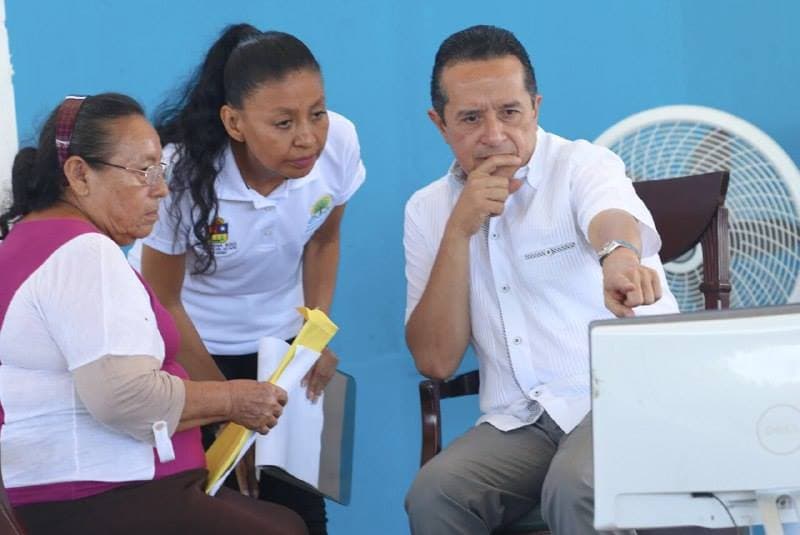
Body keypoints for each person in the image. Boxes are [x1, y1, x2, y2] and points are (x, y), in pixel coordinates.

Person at [403, 25, 680, 535]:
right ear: (439, 124)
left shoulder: (582, 163)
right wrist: (459, 230)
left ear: (535, 106)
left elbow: (611, 217)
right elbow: (436, 360)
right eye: (469, 117)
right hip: (521, 420)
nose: (493, 134)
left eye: (510, 112)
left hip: (626, 395)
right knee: (435, 493)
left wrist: (618, 257)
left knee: (574, 485)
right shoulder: (427, 210)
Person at [0, 93, 307, 535]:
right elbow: (124, 397)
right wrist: (234, 399)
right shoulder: (85, 253)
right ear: (80, 174)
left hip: (75, 495)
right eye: (144, 171)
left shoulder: (28, 241)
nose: (161, 188)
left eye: (160, 170)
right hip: (100, 495)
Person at [129, 24, 365, 535]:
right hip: (189, 351)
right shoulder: (180, 173)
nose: (308, 137)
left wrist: (314, 336)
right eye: (283, 122)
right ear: (234, 122)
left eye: (317, 113)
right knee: (220, 507)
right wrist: (227, 403)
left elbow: (324, 241)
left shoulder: (339, 142)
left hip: (280, 348)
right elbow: (163, 299)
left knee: (300, 508)